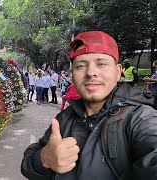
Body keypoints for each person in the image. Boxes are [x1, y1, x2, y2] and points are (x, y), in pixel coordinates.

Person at [21, 31, 157, 179]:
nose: (91, 72)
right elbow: (28, 162)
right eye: (81, 65)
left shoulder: (141, 120)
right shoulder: (65, 118)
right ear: (72, 74)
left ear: (118, 72)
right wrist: (44, 160)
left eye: (101, 64)